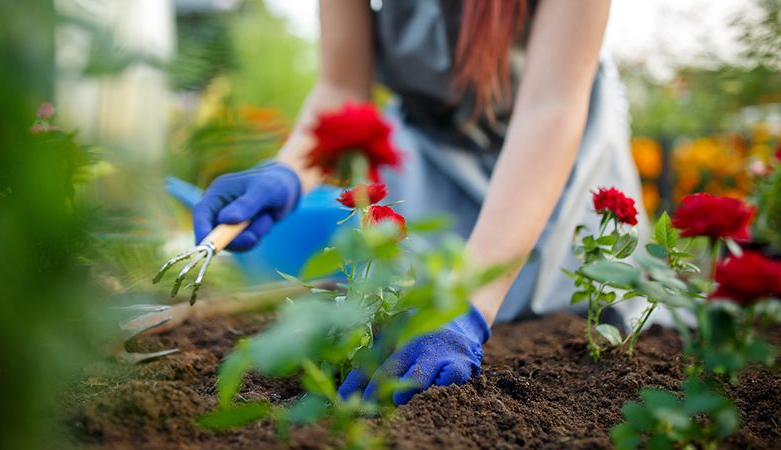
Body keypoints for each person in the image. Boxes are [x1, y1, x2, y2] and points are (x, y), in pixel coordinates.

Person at [193, 0, 647, 405]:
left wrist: (466, 303)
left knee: (568, 323)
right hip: (429, 161)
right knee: (412, 318)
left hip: (552, 156)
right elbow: (341, 87)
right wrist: (288, 171)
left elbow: (550, 106)